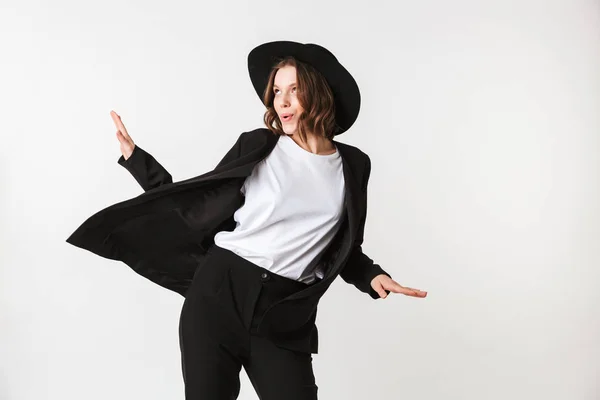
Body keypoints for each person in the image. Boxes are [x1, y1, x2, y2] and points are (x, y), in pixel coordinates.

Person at [71, 41, 427, 400]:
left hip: (284, 316)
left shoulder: (354, 165)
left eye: (294, 91)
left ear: (320, 95)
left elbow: (342, 246)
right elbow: (195, 205)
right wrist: (137, 160)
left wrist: (372, 276)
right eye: (276, 91)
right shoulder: (259, 146)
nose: (282, 102)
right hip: (217, 295)